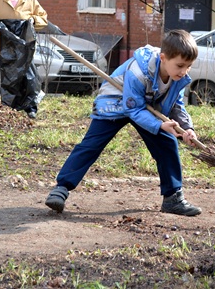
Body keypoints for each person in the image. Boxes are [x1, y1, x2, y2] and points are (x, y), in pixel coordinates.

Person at [46, 30, 202, 217]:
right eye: (180, 65)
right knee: (91, 145)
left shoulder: (179, 77)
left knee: (167, 143)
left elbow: (176, 104)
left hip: (146, 106)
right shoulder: (138, 71)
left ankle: (172, 198)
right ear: (163, 58)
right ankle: (61, 188)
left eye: (189, 66)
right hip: (115, 103)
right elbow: (133, 109)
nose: (184, 71)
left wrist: (187, 129)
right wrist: (159, 125)